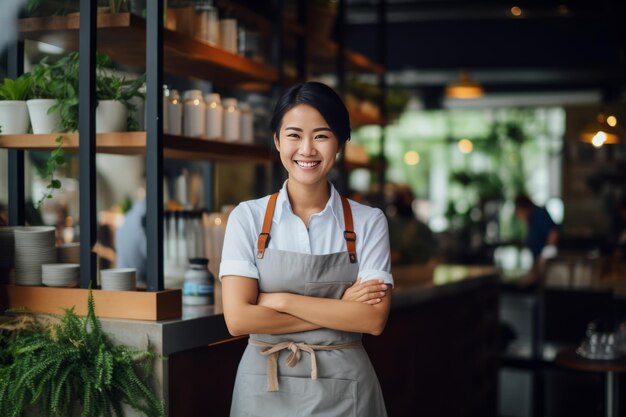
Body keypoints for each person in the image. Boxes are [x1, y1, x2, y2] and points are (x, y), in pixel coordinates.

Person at [220, 82, 393, 417]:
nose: (307, 149)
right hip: (263, 386)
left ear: (340, 143)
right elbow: (239, 319)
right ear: (277, 141)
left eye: (322, 136)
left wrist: (279, 301)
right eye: (294, 135)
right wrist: (339, 310)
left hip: (346, 390)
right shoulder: (248, 217)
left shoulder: (369, 221)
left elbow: (372, 319)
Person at [514, 193, 559, 286]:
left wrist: (547, 253)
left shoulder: (540, 214)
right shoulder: (530, 221)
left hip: (550, 265)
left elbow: (553, 233)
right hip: (539, 264)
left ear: (524, 208)